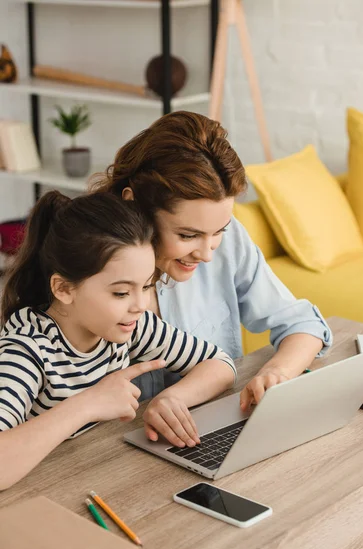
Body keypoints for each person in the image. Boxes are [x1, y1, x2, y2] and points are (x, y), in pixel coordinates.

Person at [91, 111, 333, 442]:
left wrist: (276, 374)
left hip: (204, 435)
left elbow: (303, 324)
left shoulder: (228, 241)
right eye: (188, 235)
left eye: (218, 230)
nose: (207, 254)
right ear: (135, 206)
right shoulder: (86, 270)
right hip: (106, 455)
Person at [0, 190, 237, 490]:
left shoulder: (130, 325)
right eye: (121, 293)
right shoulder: (26, 350)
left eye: (146, 286)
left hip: (94, 480)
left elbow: (220, 364)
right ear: (63, 289)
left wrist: (172, 398)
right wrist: (88, 404)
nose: (139, 304)